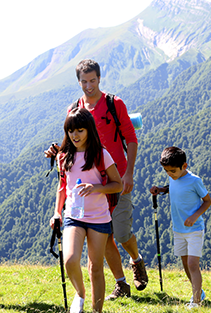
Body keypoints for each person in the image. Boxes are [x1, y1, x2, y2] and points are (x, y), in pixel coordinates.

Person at [45, 59, 148, 299]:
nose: (89, 86)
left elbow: (131, 139)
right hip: (87, 186)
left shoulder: (114, 103)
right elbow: (70, 142)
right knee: (106, 236)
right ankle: (121, 284)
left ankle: (136, 259)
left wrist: (129, 173)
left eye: (93, 80)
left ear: (99, 79)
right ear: (78, 81)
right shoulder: (75, 109)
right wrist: (55, 151)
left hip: (115, 178)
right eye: (84, 81)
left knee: (121, 234)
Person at [50, 107, 122, 313]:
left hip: (99, 218)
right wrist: (57, 212)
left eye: (80, 130)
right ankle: (80, 294)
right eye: (71, 131)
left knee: (95, 268)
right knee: (70, 260)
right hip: (73, 215)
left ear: (89, 130)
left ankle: (96, 310)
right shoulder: (63, 157)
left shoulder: (101, 154)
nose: (75, 135)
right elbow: (62, 187)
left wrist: (96, 188)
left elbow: (117, 184)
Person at [150, 146, 211, 309]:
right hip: (178, 229)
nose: (169, 174)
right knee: (185, 263)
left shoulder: (195, 181)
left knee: (192, 264)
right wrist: (161, 189)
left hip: (194, 229)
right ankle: (198, 291)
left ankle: (197, 301)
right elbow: (173, 187)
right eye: (166, 171)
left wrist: (194, 216)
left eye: (172, 171)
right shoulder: (173, 177)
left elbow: (207, 201)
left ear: (184, 166)